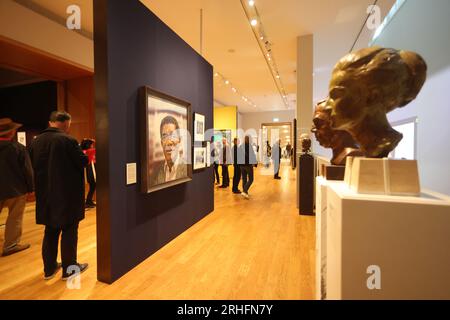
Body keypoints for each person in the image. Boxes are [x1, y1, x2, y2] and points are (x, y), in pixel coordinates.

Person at [29, 111, 89, 280]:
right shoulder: (67, 140)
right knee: (70, 231)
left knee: (50, 231)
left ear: (51, 122)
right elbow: (82, 161)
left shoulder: (36, 142)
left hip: (45, 195)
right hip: (67, 195)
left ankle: (49, 269)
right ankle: (69, 271)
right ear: (65, 123)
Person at [0, 118, 33, 257]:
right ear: (12, 132)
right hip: (16, 190)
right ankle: (10, 245)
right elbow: (27, 171)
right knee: (15, 218)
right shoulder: (18, 148)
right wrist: (31, 188)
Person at [149, 116, 187, 186]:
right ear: (161, 143)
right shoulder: (155, 174)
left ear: (179, 140)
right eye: (164, 136)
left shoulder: (187, 169)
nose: (169, 142)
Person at [80, 138, 96, 208]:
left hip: (88, 169)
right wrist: (91, 140)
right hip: (90, 169)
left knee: (93, 185)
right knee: (93, 185)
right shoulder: (89, 151)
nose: (93, 146)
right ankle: (88, 201)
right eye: (92, 145)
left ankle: (88, 201)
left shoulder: (83, 151)